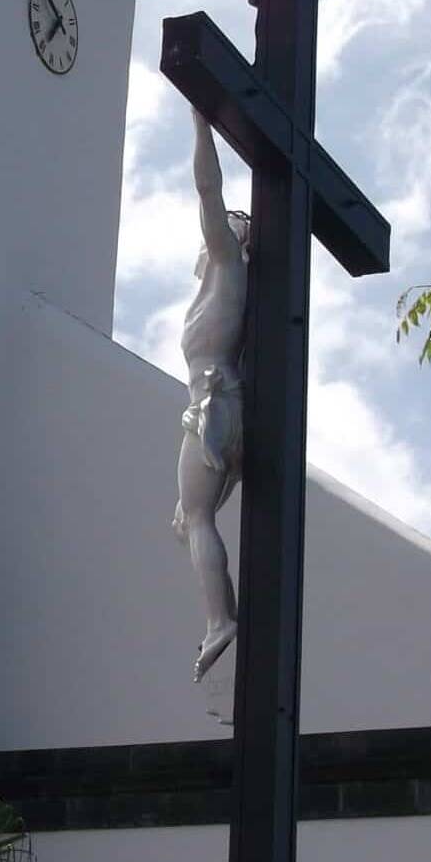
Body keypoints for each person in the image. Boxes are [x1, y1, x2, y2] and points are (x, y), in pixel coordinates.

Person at [172, 107, 250, 691]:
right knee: (190, 516)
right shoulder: (217, 286)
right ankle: (219, 614)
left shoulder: (227, 264)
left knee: (196, 515)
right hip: (219, 402)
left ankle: (219, 620)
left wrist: (201, 125)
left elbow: (209, 191)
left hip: (213, 400)